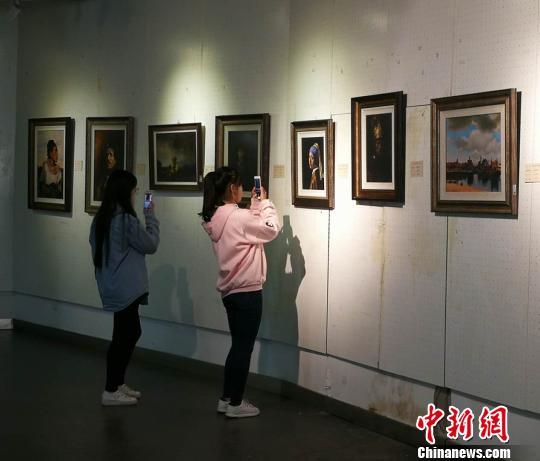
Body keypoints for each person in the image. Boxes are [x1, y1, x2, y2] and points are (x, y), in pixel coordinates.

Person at [201, 167, 280, 418]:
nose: (243, 189)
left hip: (230, 292)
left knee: (237, 347)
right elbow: (270, 229)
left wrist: (254, 205)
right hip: (248, 292)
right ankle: (236, 404)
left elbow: (248, 228)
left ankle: (226, 398)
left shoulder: (215, 217)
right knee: (243, 349)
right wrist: (265, 203)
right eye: (240, 185)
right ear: (231, 188)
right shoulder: (238, 218)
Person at [89, 170, 160, 406]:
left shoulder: (101, 219)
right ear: (125, 192)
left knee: (125, 333)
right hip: (126, 287)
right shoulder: (126, 220)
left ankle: (117, 383)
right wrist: (150, 216)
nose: (135, 194)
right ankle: (111, 389)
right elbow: (151, 244)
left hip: (111, 284)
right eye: (134, 190)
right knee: (124, 336)